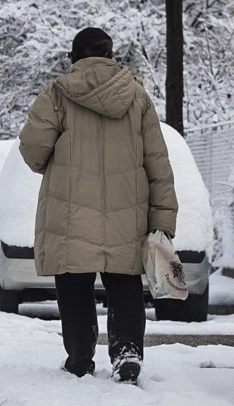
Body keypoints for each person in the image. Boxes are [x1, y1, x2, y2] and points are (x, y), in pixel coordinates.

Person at [18, 27, 178, 384]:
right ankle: (127, 355)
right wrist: (164, 220)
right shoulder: (137, 98)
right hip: (127, 214)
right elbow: (159, 165)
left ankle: (79, 357)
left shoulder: (57, 95)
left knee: (74, 284)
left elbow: (32, 151)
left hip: (70, 213)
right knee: (124, 284)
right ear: (110, 55)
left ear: (74, 57)